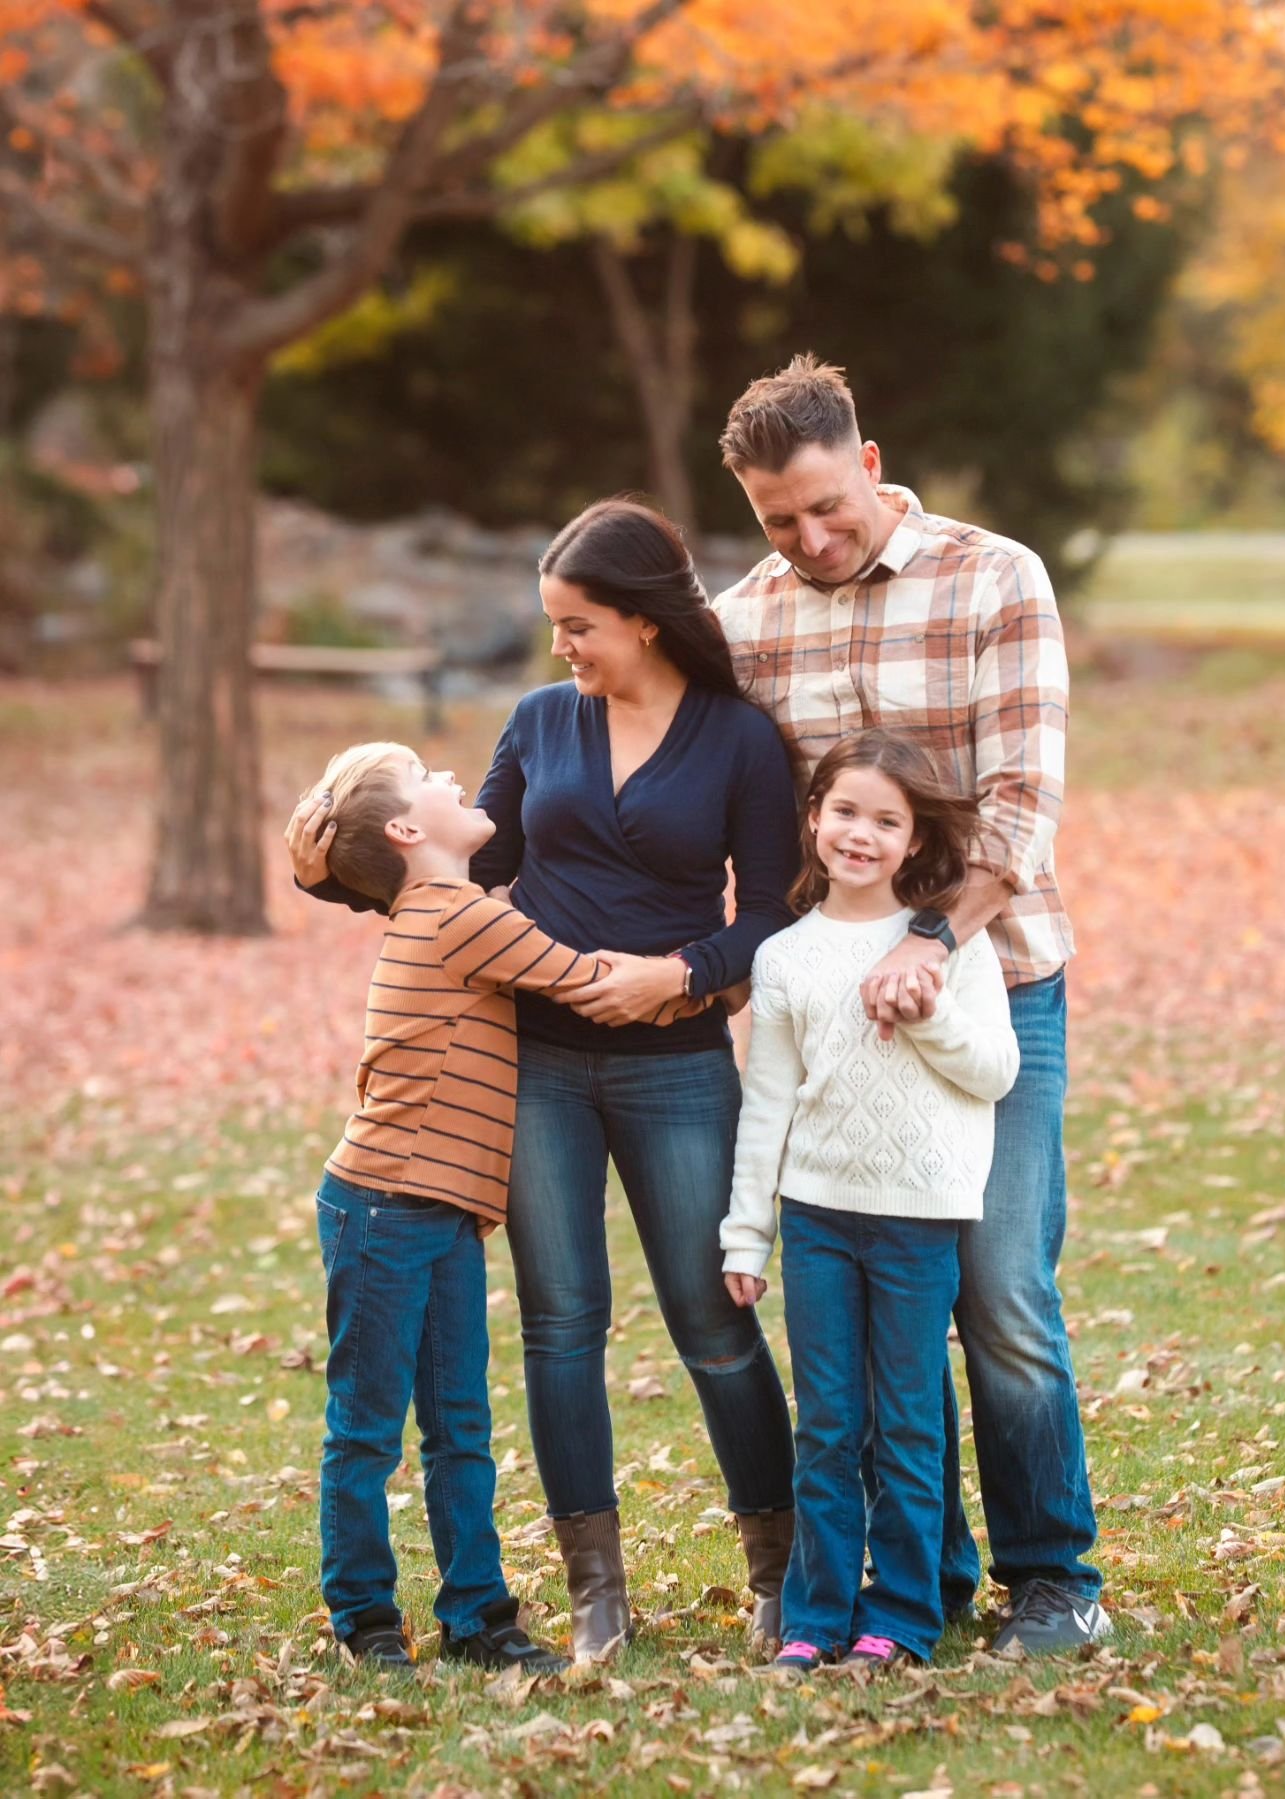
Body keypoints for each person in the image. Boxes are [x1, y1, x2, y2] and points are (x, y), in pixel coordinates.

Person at [287, 500, 799, 1659]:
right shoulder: (540, 721)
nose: (563, 646)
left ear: (647, 619)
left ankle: (779, 1567)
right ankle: (596, 1591)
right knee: (562, 1325)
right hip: (543, 1068)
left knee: (713, 1318)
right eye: (555, 626)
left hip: (676, 1067)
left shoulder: (738, 740)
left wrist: (678, 974)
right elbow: (470, 857)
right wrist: (346, 850)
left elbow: (767, 912)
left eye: (579, 625)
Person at [712, 355, 1110, 1652]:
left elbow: (1022, 808)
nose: (812, 538)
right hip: (838, 1017)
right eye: (781, 519)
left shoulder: (996, 577)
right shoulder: (747, 622)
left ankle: (1055, 1576)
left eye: (828, 504)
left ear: (870, 463)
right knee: (879, 1306)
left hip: (1000, 983)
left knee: (994, 1286)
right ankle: (919, 1572)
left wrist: (935, 942)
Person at [301, 740, 603, 1673]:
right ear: (404, 830)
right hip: (383, 1208)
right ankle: (364, 1617)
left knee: (460, 1423)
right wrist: (707, 968)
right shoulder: (454, 916)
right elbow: (587, 978)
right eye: (431, 777)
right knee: (366, 1425)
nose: (453, 780)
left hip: (436, 1213)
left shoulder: (454, 910)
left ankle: (477, 1617)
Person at [721, 732, 1019, 1670]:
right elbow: (767, 1102)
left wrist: (928, 1011)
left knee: (906, 1423)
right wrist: (747, 1235)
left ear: (913, 836)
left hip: (917, 1218)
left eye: (886, 820)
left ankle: (902, 1614)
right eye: (845, 811)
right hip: (815, 1217)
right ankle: (814, 1617)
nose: (860, 833)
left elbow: (998, 1073)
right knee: (830, 1423)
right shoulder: (783, 957)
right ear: (813, 819)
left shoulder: (948, 945)